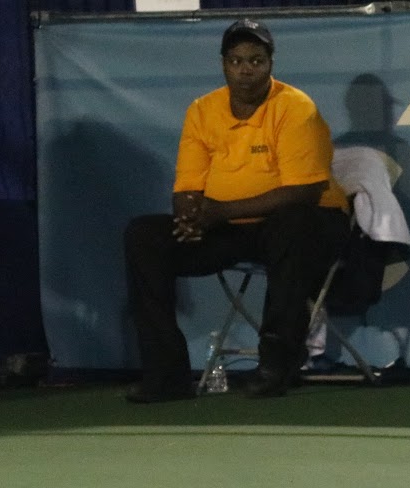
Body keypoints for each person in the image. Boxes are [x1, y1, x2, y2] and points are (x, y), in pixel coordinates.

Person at [123, 20, 350, 403]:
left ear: (270, 63)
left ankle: (277, 365)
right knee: (144, 235)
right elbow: (188, 186)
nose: (246, 70)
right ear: (223, 64)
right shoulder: (202, 110)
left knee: (293, 224)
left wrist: (219, 212)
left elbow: (305, 191)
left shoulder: (295, 107)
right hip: (229, 226)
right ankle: (167, 375)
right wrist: (190, 218)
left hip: (306, 223)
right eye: (237, 61)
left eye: (256, 61)